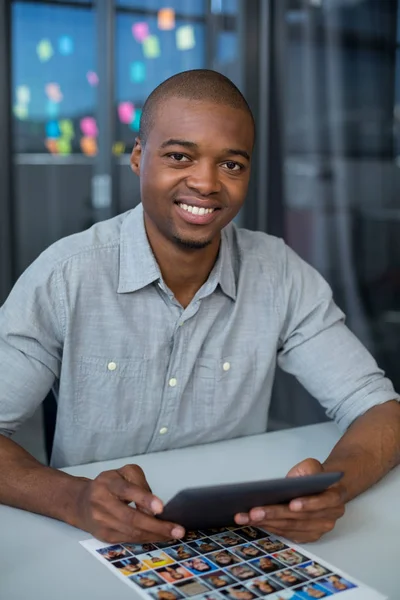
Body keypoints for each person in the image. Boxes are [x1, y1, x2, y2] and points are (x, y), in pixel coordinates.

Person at [0, 69, 399, 547]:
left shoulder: (279, 273)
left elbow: (381, 411)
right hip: (94, 544)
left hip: (233, 540)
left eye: (231, 165)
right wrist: (73, 499)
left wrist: (330, 489)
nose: (206, 183)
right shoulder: (66, 275)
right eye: (178, 156)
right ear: (137, 158)